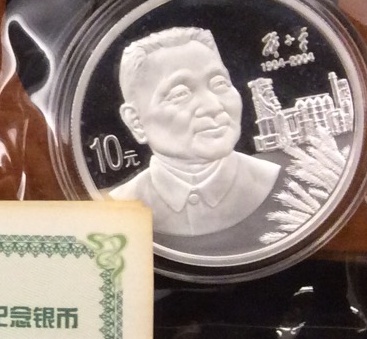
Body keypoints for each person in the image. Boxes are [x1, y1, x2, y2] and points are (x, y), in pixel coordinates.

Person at [107, 27, 279, 236]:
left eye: (219, 83)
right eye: (180, 94)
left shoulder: (279, 181)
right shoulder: (115, 208)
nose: (213, 106)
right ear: (136, 121)